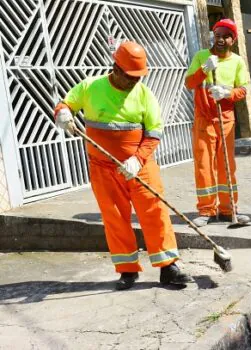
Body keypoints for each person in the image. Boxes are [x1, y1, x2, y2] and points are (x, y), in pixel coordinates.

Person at [54, 41, 192, 290]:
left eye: (138, 76)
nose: (134, 81)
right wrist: (63, 113)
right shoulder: (90, 87)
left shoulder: (143, 94)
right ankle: (127, 270)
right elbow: (67, 104)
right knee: (115, 217)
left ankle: (168, 267)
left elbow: (154, 132)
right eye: (130, 76)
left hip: (140, 163)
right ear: (116, 68)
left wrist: (137, 159)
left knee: (154, 211)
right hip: (102, 167)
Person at [185, 19, 250, 227]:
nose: (220, 39)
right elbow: (189, 83)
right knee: (204, 165)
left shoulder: (237, 62)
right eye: (217, 35)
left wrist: (227, 93)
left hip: (226, 119)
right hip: (204, 119)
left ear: (233, 40)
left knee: (226, 166)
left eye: (225, 36)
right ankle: (206, 210)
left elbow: (243, 90)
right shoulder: (201, 57)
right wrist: (204, 68)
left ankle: (229, 209)